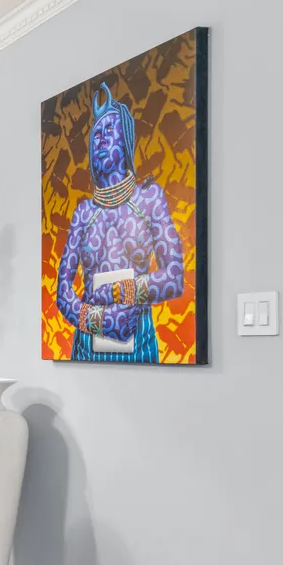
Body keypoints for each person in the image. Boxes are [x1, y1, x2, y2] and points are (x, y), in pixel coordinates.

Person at [55, 84, 185, 362]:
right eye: (96, 135)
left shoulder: (149, 199)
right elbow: (63, 288)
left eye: (108, 133)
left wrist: (119, 291)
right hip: (85, 345)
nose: (100, 142)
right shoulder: (83, 213)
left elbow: (173, 276)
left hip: (137, 342)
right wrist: (97, 319)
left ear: (125, 140)